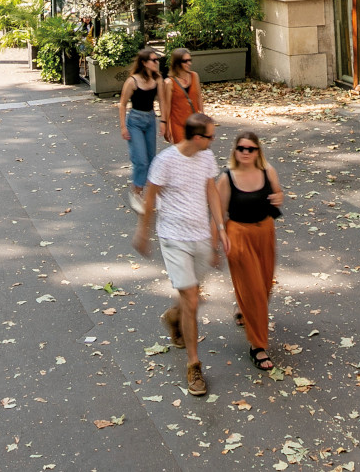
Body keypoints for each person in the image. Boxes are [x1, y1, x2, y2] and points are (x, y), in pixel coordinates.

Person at [134, 111, 222, 397]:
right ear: (197, 137)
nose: (213, 140)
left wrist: (220, 230)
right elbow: (150, 197)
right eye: (210, 136)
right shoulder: (166, 161)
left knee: (189, 298)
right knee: (192, 300)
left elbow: (211, 192)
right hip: (173, 238)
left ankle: (174, 316)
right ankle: (193, 366)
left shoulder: (206, 157)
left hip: (200, 237)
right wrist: (143, 232)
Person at [217, 129, 282, 371]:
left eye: (250, 149)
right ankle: (257, 346)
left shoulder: (268, 171)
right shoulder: (227, 178)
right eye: (241, 148)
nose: (245, 152)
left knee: (263, 287)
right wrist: (216, 241)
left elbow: (278, 193)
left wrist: (278, 198)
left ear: (257, 152)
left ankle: (244, 310)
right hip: (238, 235)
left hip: (264, 233)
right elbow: (218, 212)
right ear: (235, 151)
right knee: (254, 290)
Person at [119, 46, 164, 213]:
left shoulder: (157, 79)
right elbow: (122, 104)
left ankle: (152, 194)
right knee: (141, 160)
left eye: (157, 60)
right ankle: (136, 192)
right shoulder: (132, 81)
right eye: (154, 60)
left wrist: (164, 121)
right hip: (135, 122)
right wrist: (123, 127)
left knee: (152, 159)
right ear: (144, 63)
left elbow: (162, 100)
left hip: (150, 120)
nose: (157, 62)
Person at [162, 48, 204, 146]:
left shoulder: (194, 76)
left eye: (190, 60)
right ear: (177, 63)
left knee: (197, 151)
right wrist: (167, 127)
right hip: (178, 125)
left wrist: (203, 117)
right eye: (185, 61)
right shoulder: (169, 82)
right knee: (183, 152)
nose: (189, 63)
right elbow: (167, 107)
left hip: (194, 123)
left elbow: (199, 97)